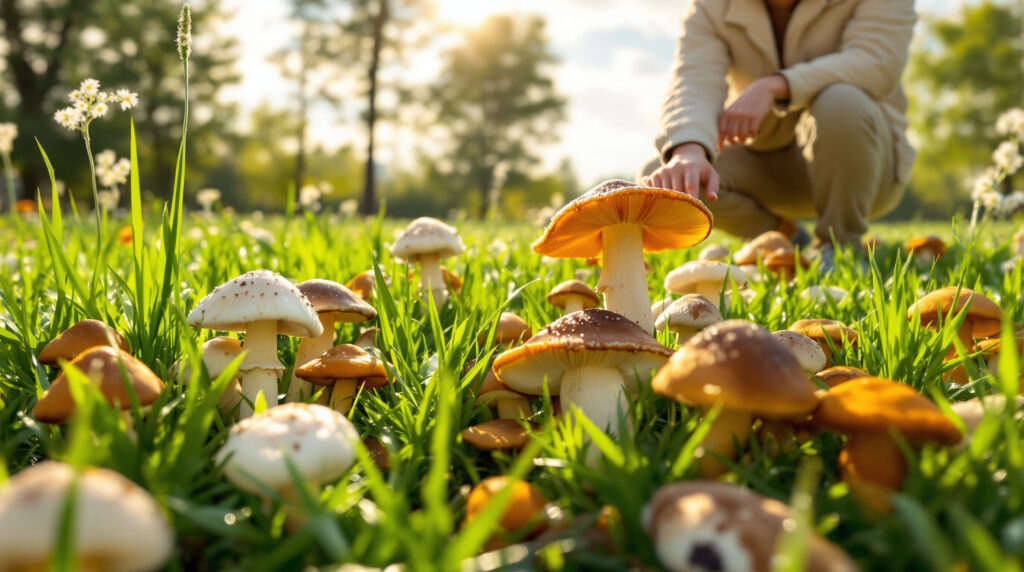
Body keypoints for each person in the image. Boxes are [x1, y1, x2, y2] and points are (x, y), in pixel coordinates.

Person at [640, 0, 916, 261]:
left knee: (841, 102)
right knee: (670, 178)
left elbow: (876, 61)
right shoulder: (711, 6)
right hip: (768, 163)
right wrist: (689, 149)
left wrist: (777, 85)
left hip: (864, 166)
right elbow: (694, 80)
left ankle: (838, 249)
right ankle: (785, 238)